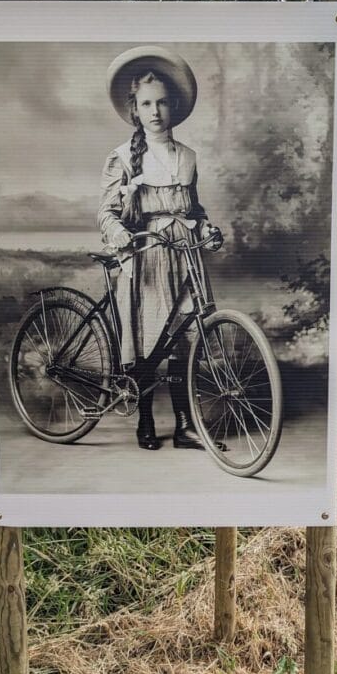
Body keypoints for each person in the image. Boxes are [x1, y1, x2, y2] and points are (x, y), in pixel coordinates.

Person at [97, 46, 222, 451]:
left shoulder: (187, 158)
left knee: (186, 341)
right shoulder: (122, 159)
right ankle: (145, 420)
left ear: (174, 107)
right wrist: (117, 234)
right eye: (146, 104)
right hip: (148, 257)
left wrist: (206, 229)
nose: (155, 112)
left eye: (162, 103)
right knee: (149, 340)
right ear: (135, 109)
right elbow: (107, 214)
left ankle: (185, 426)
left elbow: (194, 209)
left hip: (185, 256)